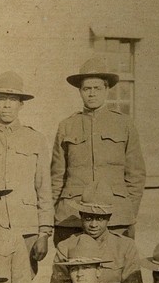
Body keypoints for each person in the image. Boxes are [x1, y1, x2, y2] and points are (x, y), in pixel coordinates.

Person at [0, 71, 53, 273]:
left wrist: (44, 233)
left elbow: (44, 190)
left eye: (12, 100)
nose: (6, 105)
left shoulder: (36, 140)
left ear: (21, 104)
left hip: (26, 229)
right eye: (1, 99)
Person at [50, 56, 145, 243]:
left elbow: (135, 175)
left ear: (107, 89)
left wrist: (127, 210)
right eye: (86, 89)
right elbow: (56, 176)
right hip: (72, 216)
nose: (91, 94)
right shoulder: (67, 126)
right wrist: (54, 212)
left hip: (115, 216)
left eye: (97, 88)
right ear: (80, 91)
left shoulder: (124, 124)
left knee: (114, 269)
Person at [49, 182, 143, 283]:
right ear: (81, 215)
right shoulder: (66, 247)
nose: (93, 225)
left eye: (100, 219)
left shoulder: (125, 246)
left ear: (109, 218)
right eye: (88, 218)